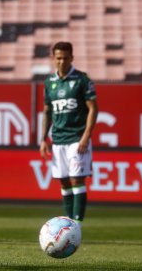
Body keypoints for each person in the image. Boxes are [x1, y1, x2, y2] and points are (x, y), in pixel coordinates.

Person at [40, 41, 98, 226]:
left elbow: (93, 109)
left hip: (77, 138)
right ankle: (68, 222)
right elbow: (47, 112)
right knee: (64, 182)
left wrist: (86, 136)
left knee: (76, 179)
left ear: (72, 58)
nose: (62, 61)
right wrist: (43, 139)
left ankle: (77, 225)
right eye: (58, 58)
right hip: (58, 139)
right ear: (53, 59)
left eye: (65, 58)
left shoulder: (82, 80)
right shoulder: (49, 82)